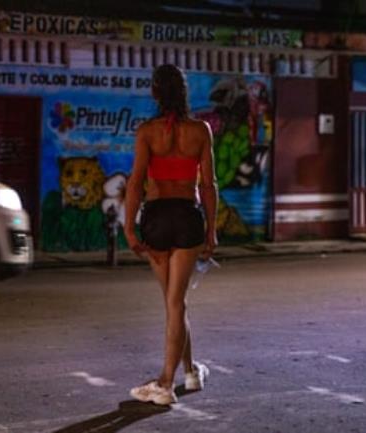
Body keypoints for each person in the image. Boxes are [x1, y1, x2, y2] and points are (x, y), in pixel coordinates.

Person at [124, 64, 219, 405]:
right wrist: (211, 230)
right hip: (187, 218)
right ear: (183, 93)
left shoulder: (147, 132)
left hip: (157, 219)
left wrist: (129, 228)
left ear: (155, 93)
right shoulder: (201, 131)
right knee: (175, 303)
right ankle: (190, 373)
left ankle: (165, 382)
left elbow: (135, 183)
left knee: (173, 302)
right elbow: (208, 185)